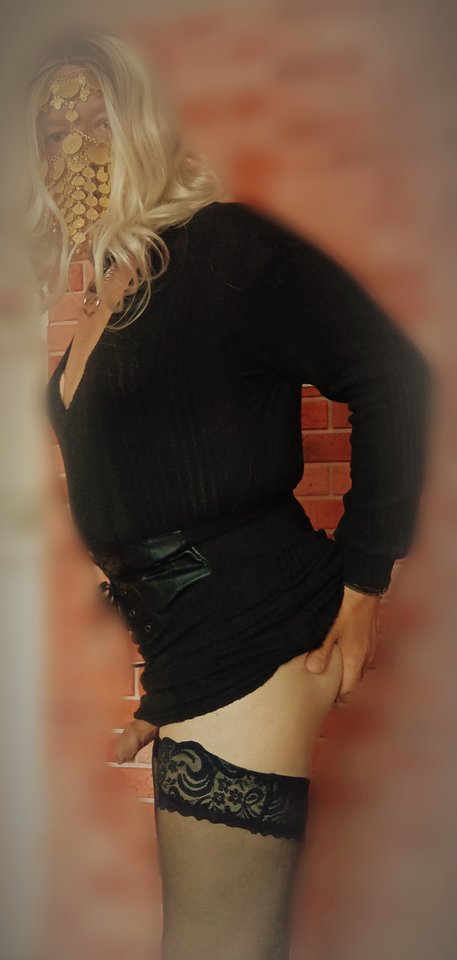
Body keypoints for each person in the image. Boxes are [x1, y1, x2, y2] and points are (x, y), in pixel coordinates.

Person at [26, 28, 432, 960]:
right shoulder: (110, 291)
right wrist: (166, 684)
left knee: (217, 946)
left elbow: (392, 377)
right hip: (193, 651)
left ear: (141, 119)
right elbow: (151, 485)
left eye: (91, 113)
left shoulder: (223, 247)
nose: (73, 141)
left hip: (256, 632)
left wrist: (365, 583)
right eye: (51, 127)